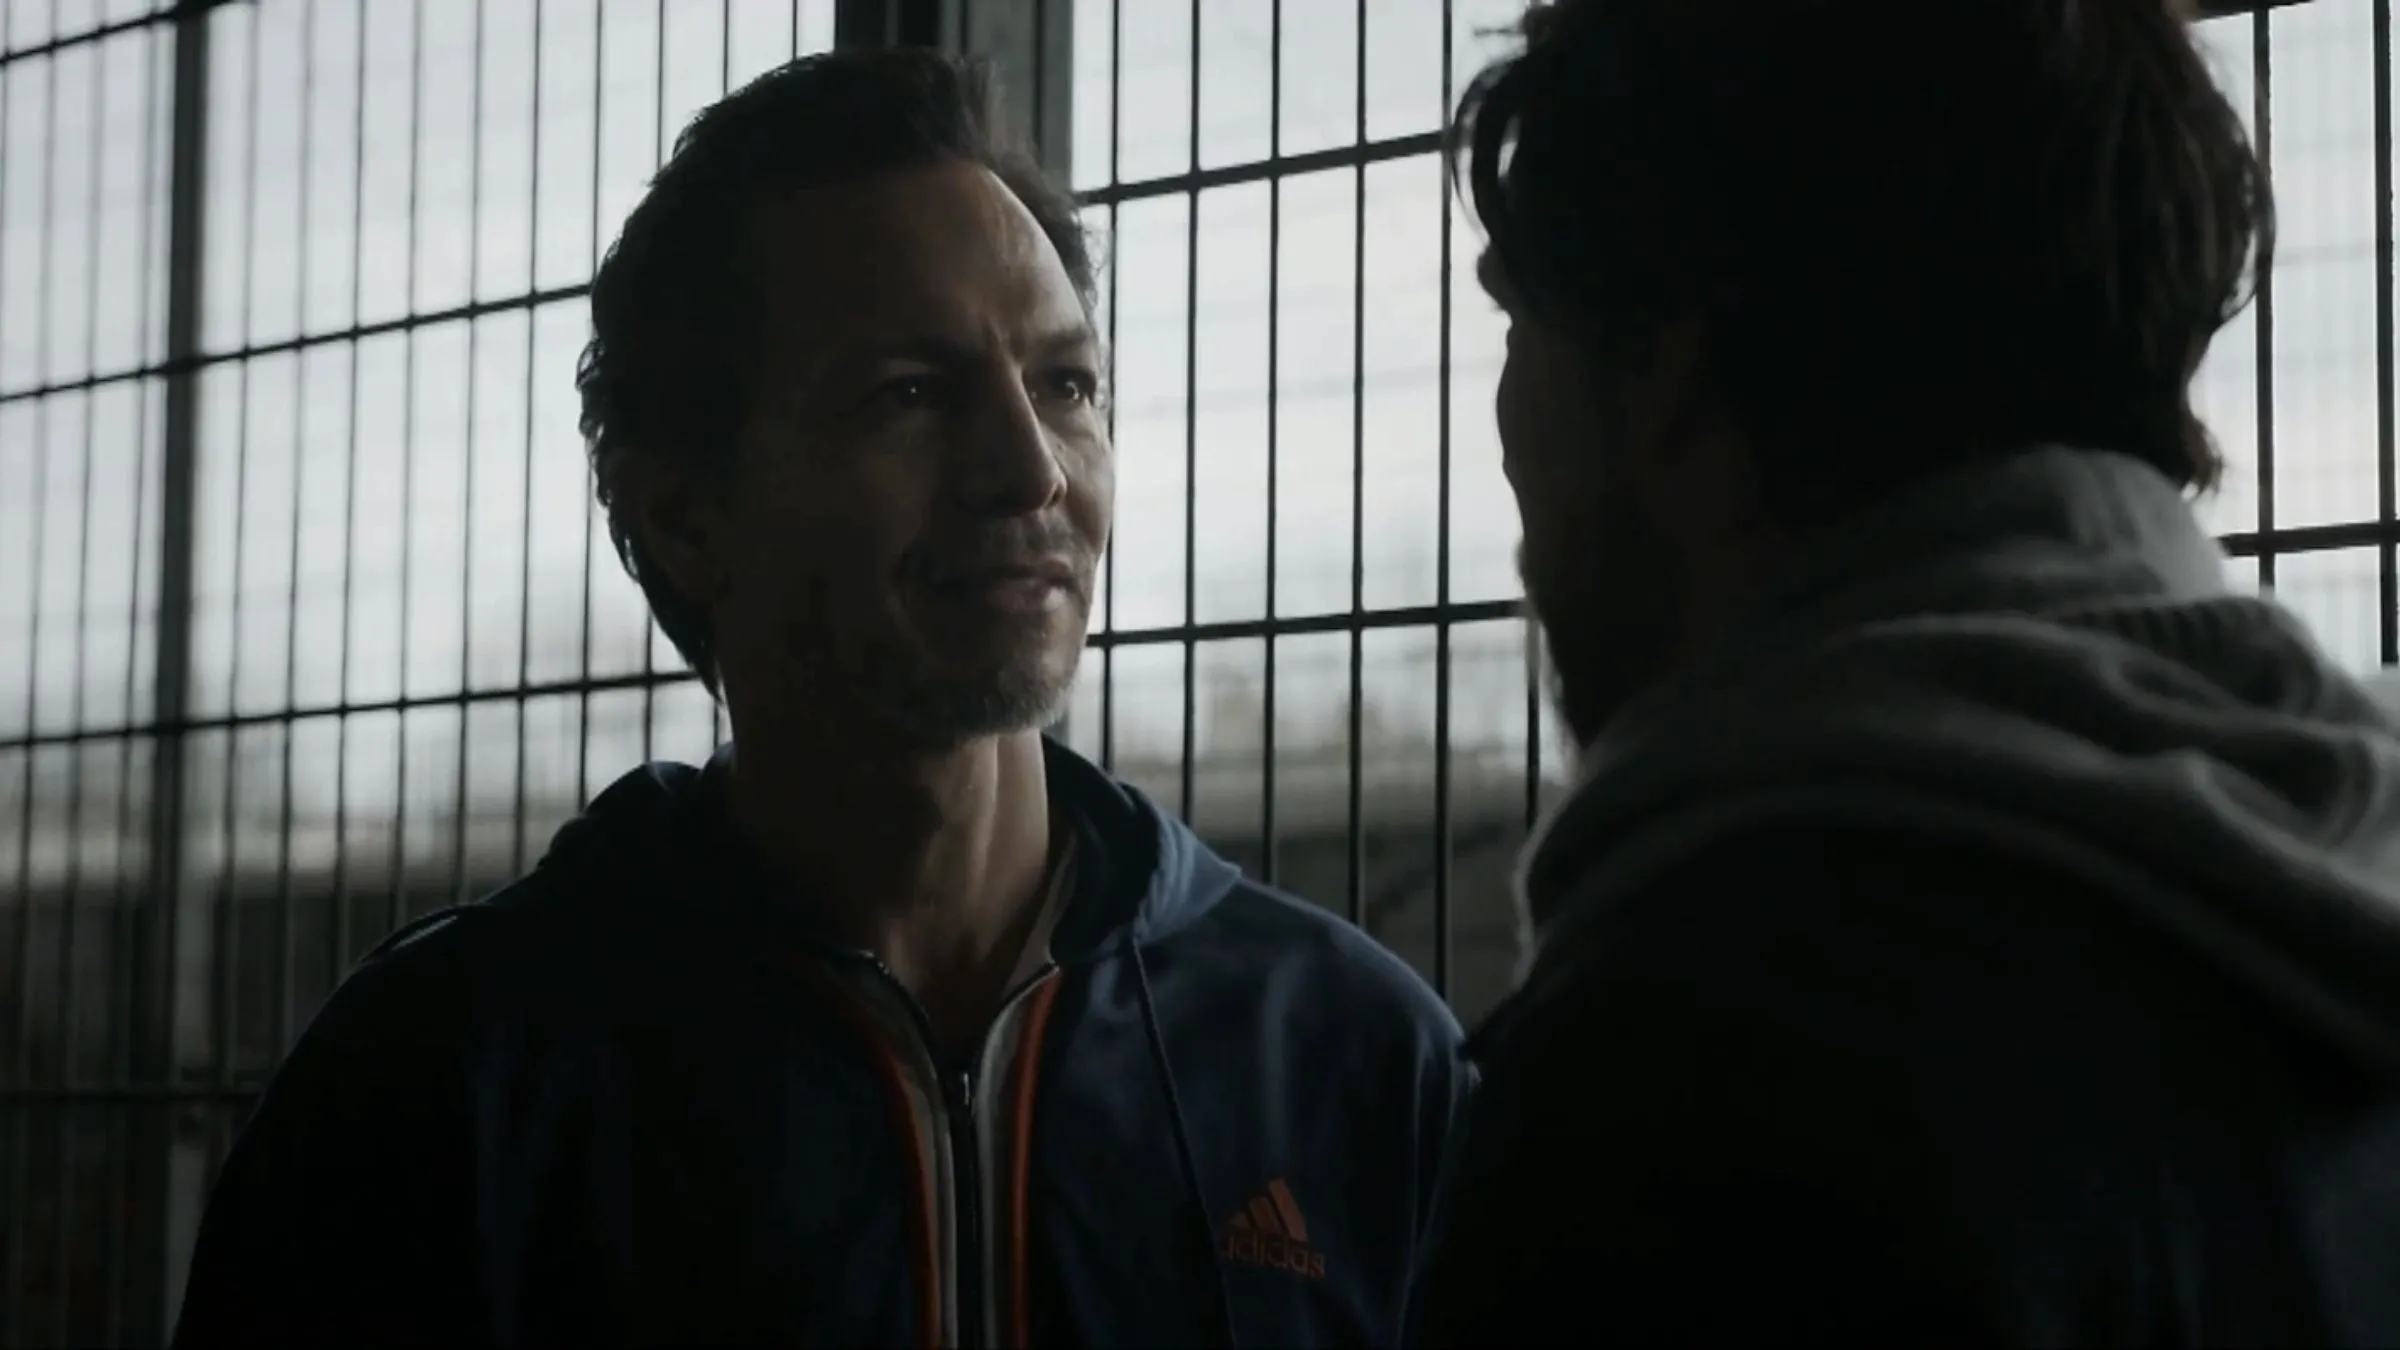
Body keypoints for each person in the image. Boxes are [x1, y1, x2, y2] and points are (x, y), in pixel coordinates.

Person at [172, 49, 1468, 1349]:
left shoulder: (1349, 1051)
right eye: (910, 394)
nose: (1032, 471)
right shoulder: (439, 1090)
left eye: (1066, 385)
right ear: (687, 515)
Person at [1412, 0, 2400, 1344]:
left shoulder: (1684, 1101)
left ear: (1676, 392)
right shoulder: (2342, 970)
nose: (1506, 435)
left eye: (1521, 325)